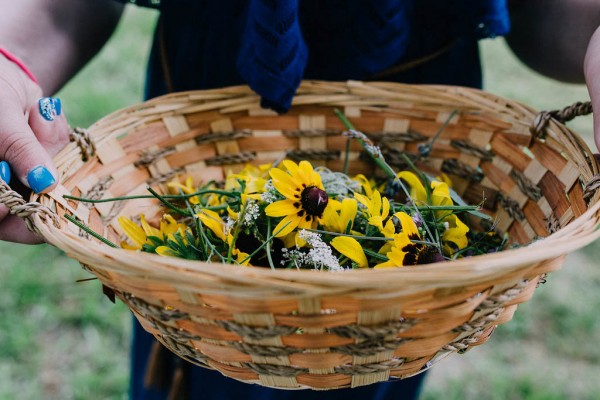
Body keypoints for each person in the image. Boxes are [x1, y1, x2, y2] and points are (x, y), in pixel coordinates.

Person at [0, 0, 599, 399]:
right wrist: (9, 61)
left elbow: (546, 11)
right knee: (211, 353)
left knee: (386, 356)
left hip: (427, 117)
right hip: (210, 113)